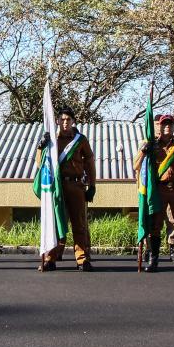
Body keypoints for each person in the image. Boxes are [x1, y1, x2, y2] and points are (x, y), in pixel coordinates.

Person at [133, 114, 174, 272]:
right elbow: (136, 166)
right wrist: (143, 151)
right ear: (159, 126)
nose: (167, 126)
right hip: (158, 190)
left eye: (170, 124)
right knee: (155, 225)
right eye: (164, 124)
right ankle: (153, 261)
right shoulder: (152, 144)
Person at [37, 108, 97, 271]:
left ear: (73, 121)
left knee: (79, 224)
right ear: (57, 121)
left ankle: (82, 259)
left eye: (68, 120)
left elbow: (89, 161)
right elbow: (40, 164)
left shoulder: (80, 140)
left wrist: (92, 185)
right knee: (56, 223)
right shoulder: (51, 139)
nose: (65, 123)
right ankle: (50, 258)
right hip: (57, 187)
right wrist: (41, 147)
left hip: (76, 186)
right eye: (62, 119)